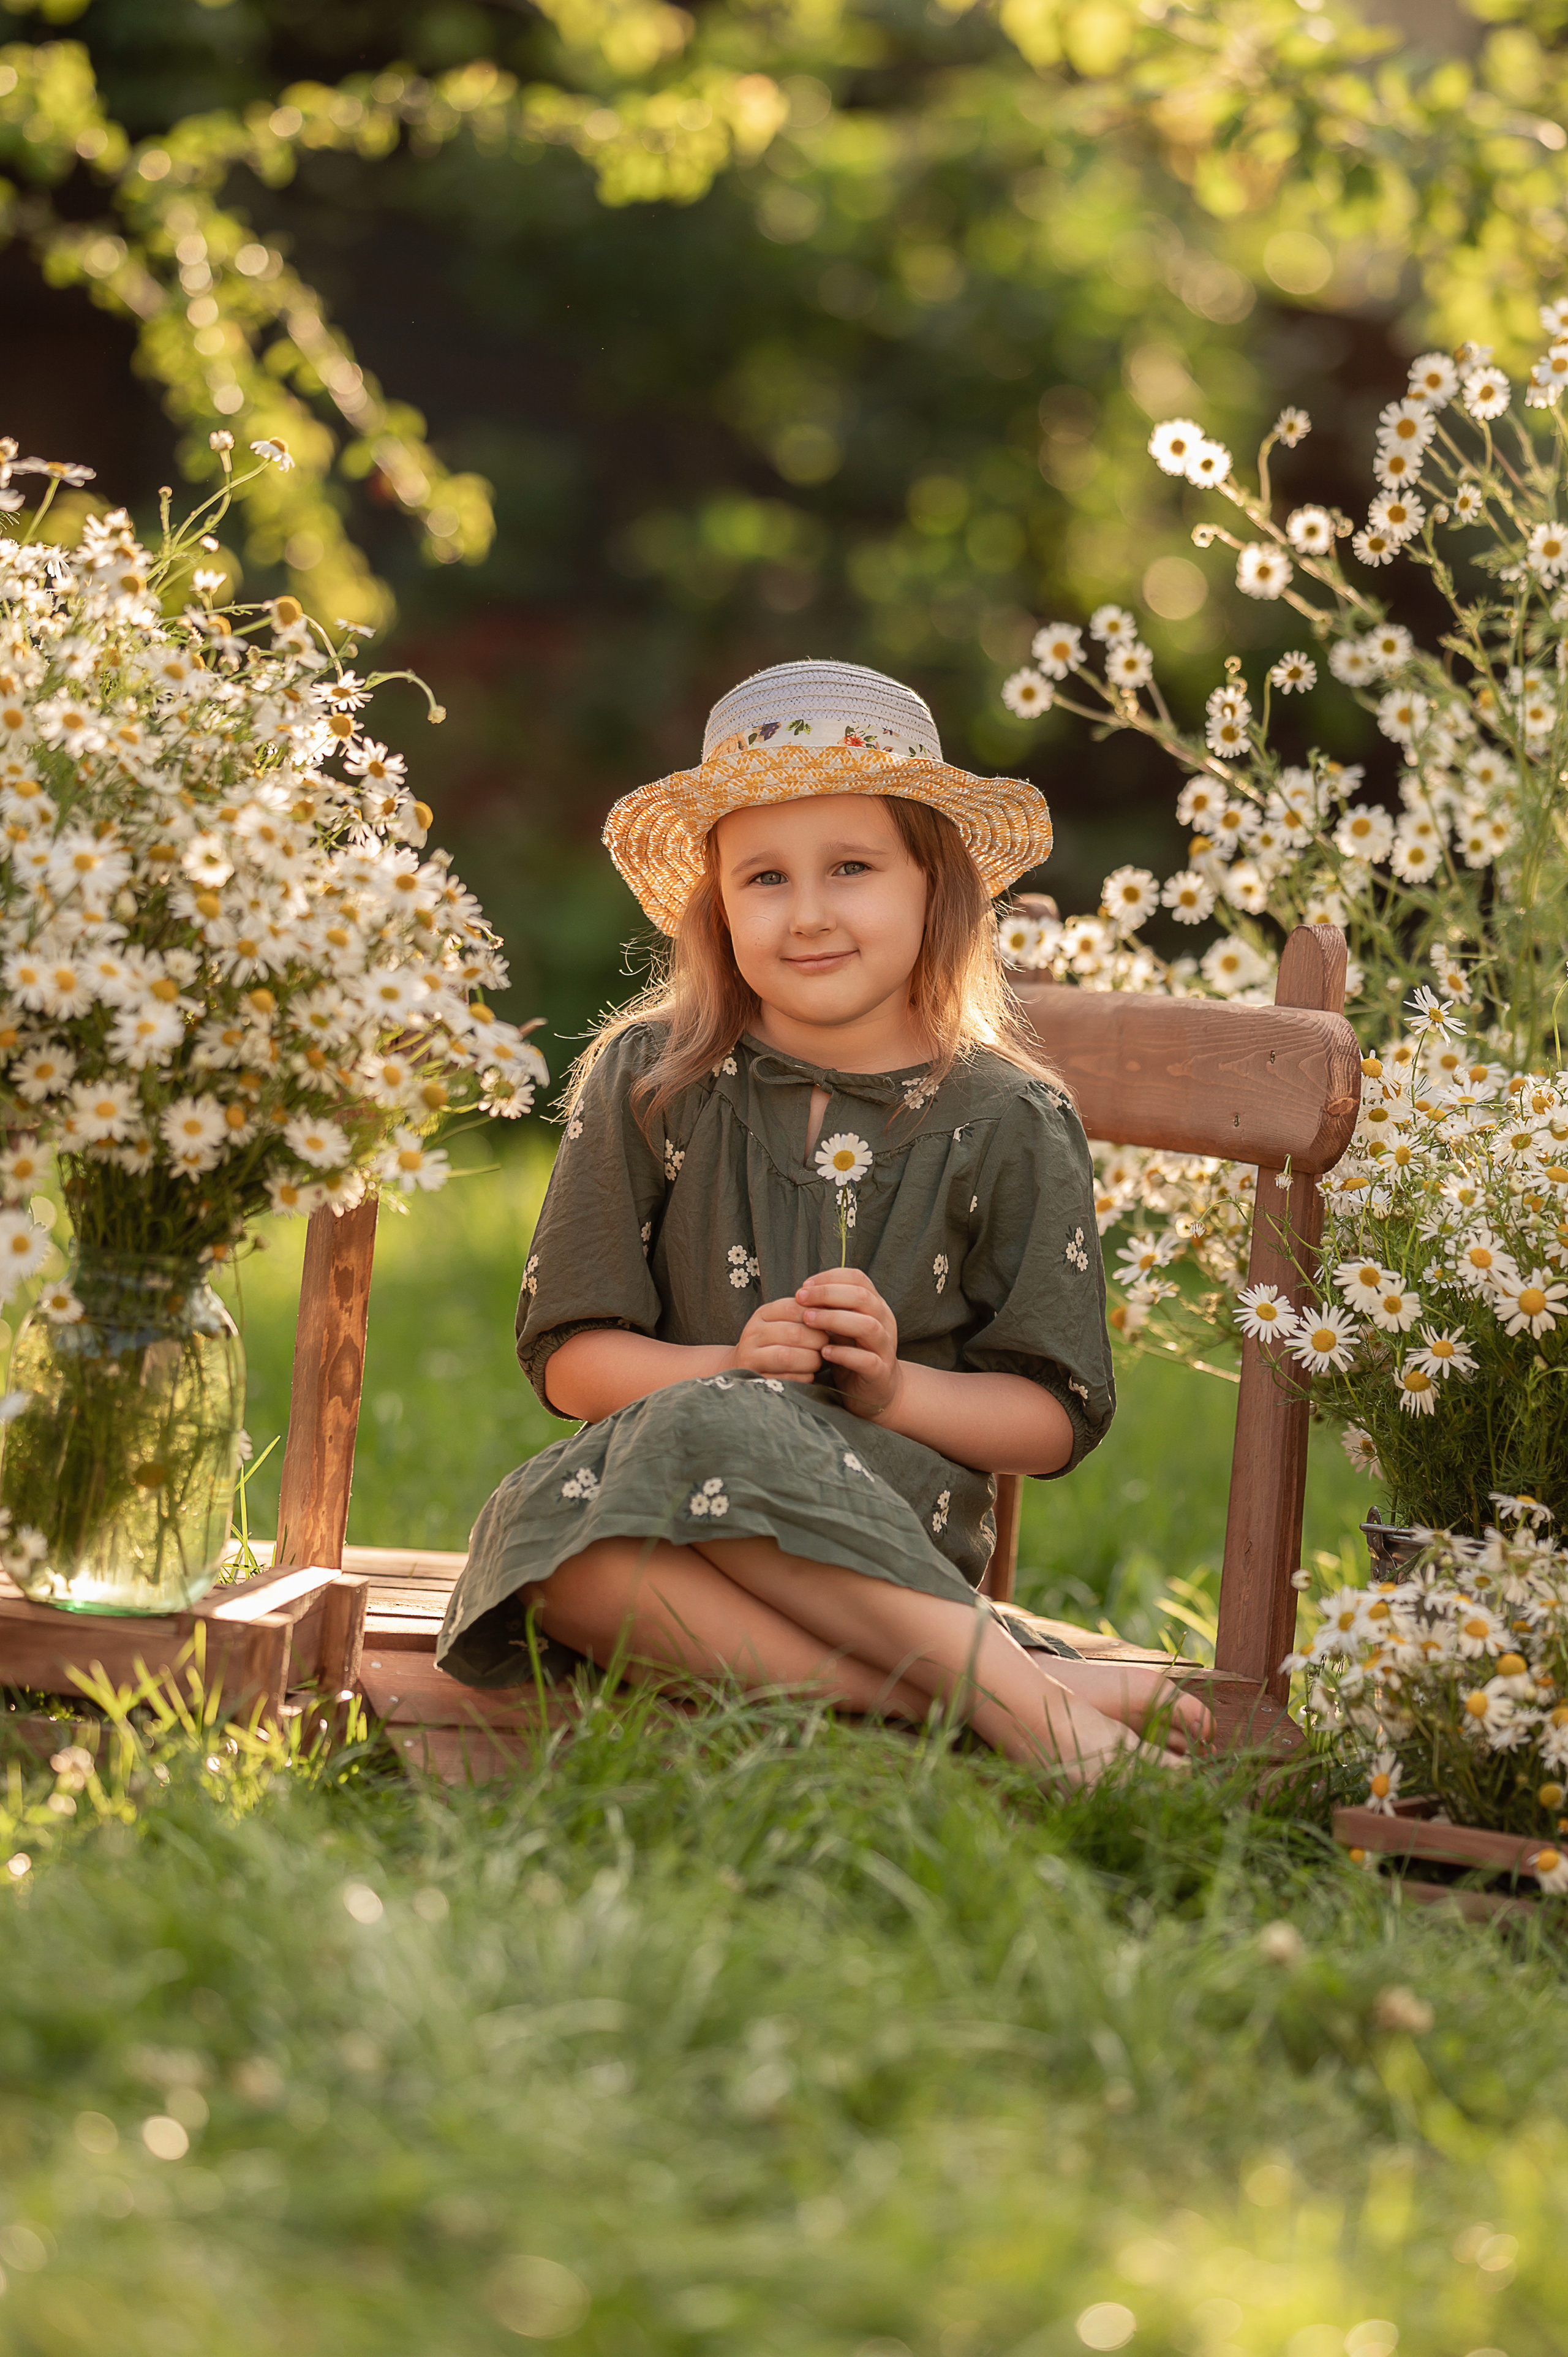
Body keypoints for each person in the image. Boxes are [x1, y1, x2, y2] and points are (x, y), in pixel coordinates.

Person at [438, 660, 1207, 1777]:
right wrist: (727, 1365)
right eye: (763, 878)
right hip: (669, 1512)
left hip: (892, 1539)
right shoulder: (651, 1079)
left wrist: (894, 1389)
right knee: (541, 1553)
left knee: (722, 1423)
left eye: (851, 867)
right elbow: (572, 1361)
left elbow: (1051, 1420)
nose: (807, 914)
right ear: (717, 906)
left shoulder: (1008, 1116)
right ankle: (1018, 1689)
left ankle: (1042, 1725)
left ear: (933, 889)